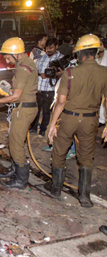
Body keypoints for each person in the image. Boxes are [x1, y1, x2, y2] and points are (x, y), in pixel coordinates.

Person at [46, 34, 107, 208]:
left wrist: (52, 125)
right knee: (86, 157)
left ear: (79, 54)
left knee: (59, 153)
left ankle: (56, 188)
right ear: (95, 52)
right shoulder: (104, 72)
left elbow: (61, 102)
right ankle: (85, 196)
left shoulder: (70, 73)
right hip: (90, 121)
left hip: (68, 119)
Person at [0, 37, 38, 189]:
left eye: (7, 57)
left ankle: (20, 181)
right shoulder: (24, 63)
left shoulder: (23, 68)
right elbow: (17, 91)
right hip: (23, 107)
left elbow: (16, 96)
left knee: (16, 144)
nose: (6, 61)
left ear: (16, 54)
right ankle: (14, 171)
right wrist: (6, 91)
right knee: (13, 141)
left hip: (24, 109)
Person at [30, 38, 64, 136]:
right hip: (39, 88)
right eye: (47, 48)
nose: (48, 50)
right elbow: (34, 70)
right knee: (36, 109)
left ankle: (43, 130)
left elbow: (64, 73)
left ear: (57, 46)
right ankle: (34, 127)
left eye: (51, 48)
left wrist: (52, 75)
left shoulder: (60, 59)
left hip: (50, 89)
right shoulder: (42, 57)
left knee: (46, 111)